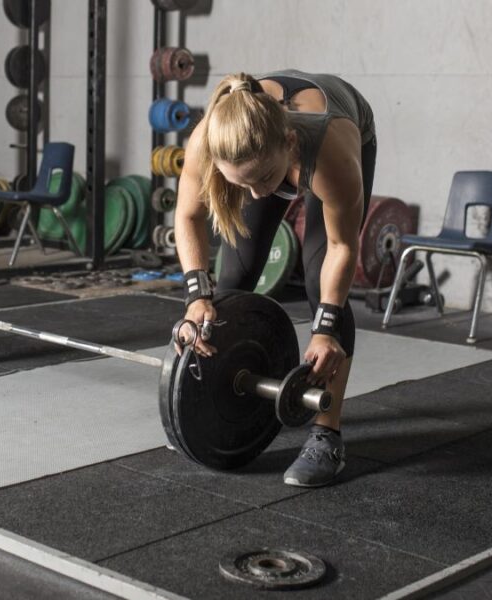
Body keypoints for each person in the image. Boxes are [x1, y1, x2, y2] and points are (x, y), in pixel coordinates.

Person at [173, 69, 377, 487]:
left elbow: (343, 247)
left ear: (287, 144)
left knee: (324, 286)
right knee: (232, 278)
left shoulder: (330, 153)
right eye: (240, 183)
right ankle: (218, 399)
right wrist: (197, 296)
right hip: (265, 145)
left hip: (342, 124)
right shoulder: (209, 141)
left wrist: (324, 330)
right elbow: (188, 215)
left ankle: (326, 435)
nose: (257, 195)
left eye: (265, 180)